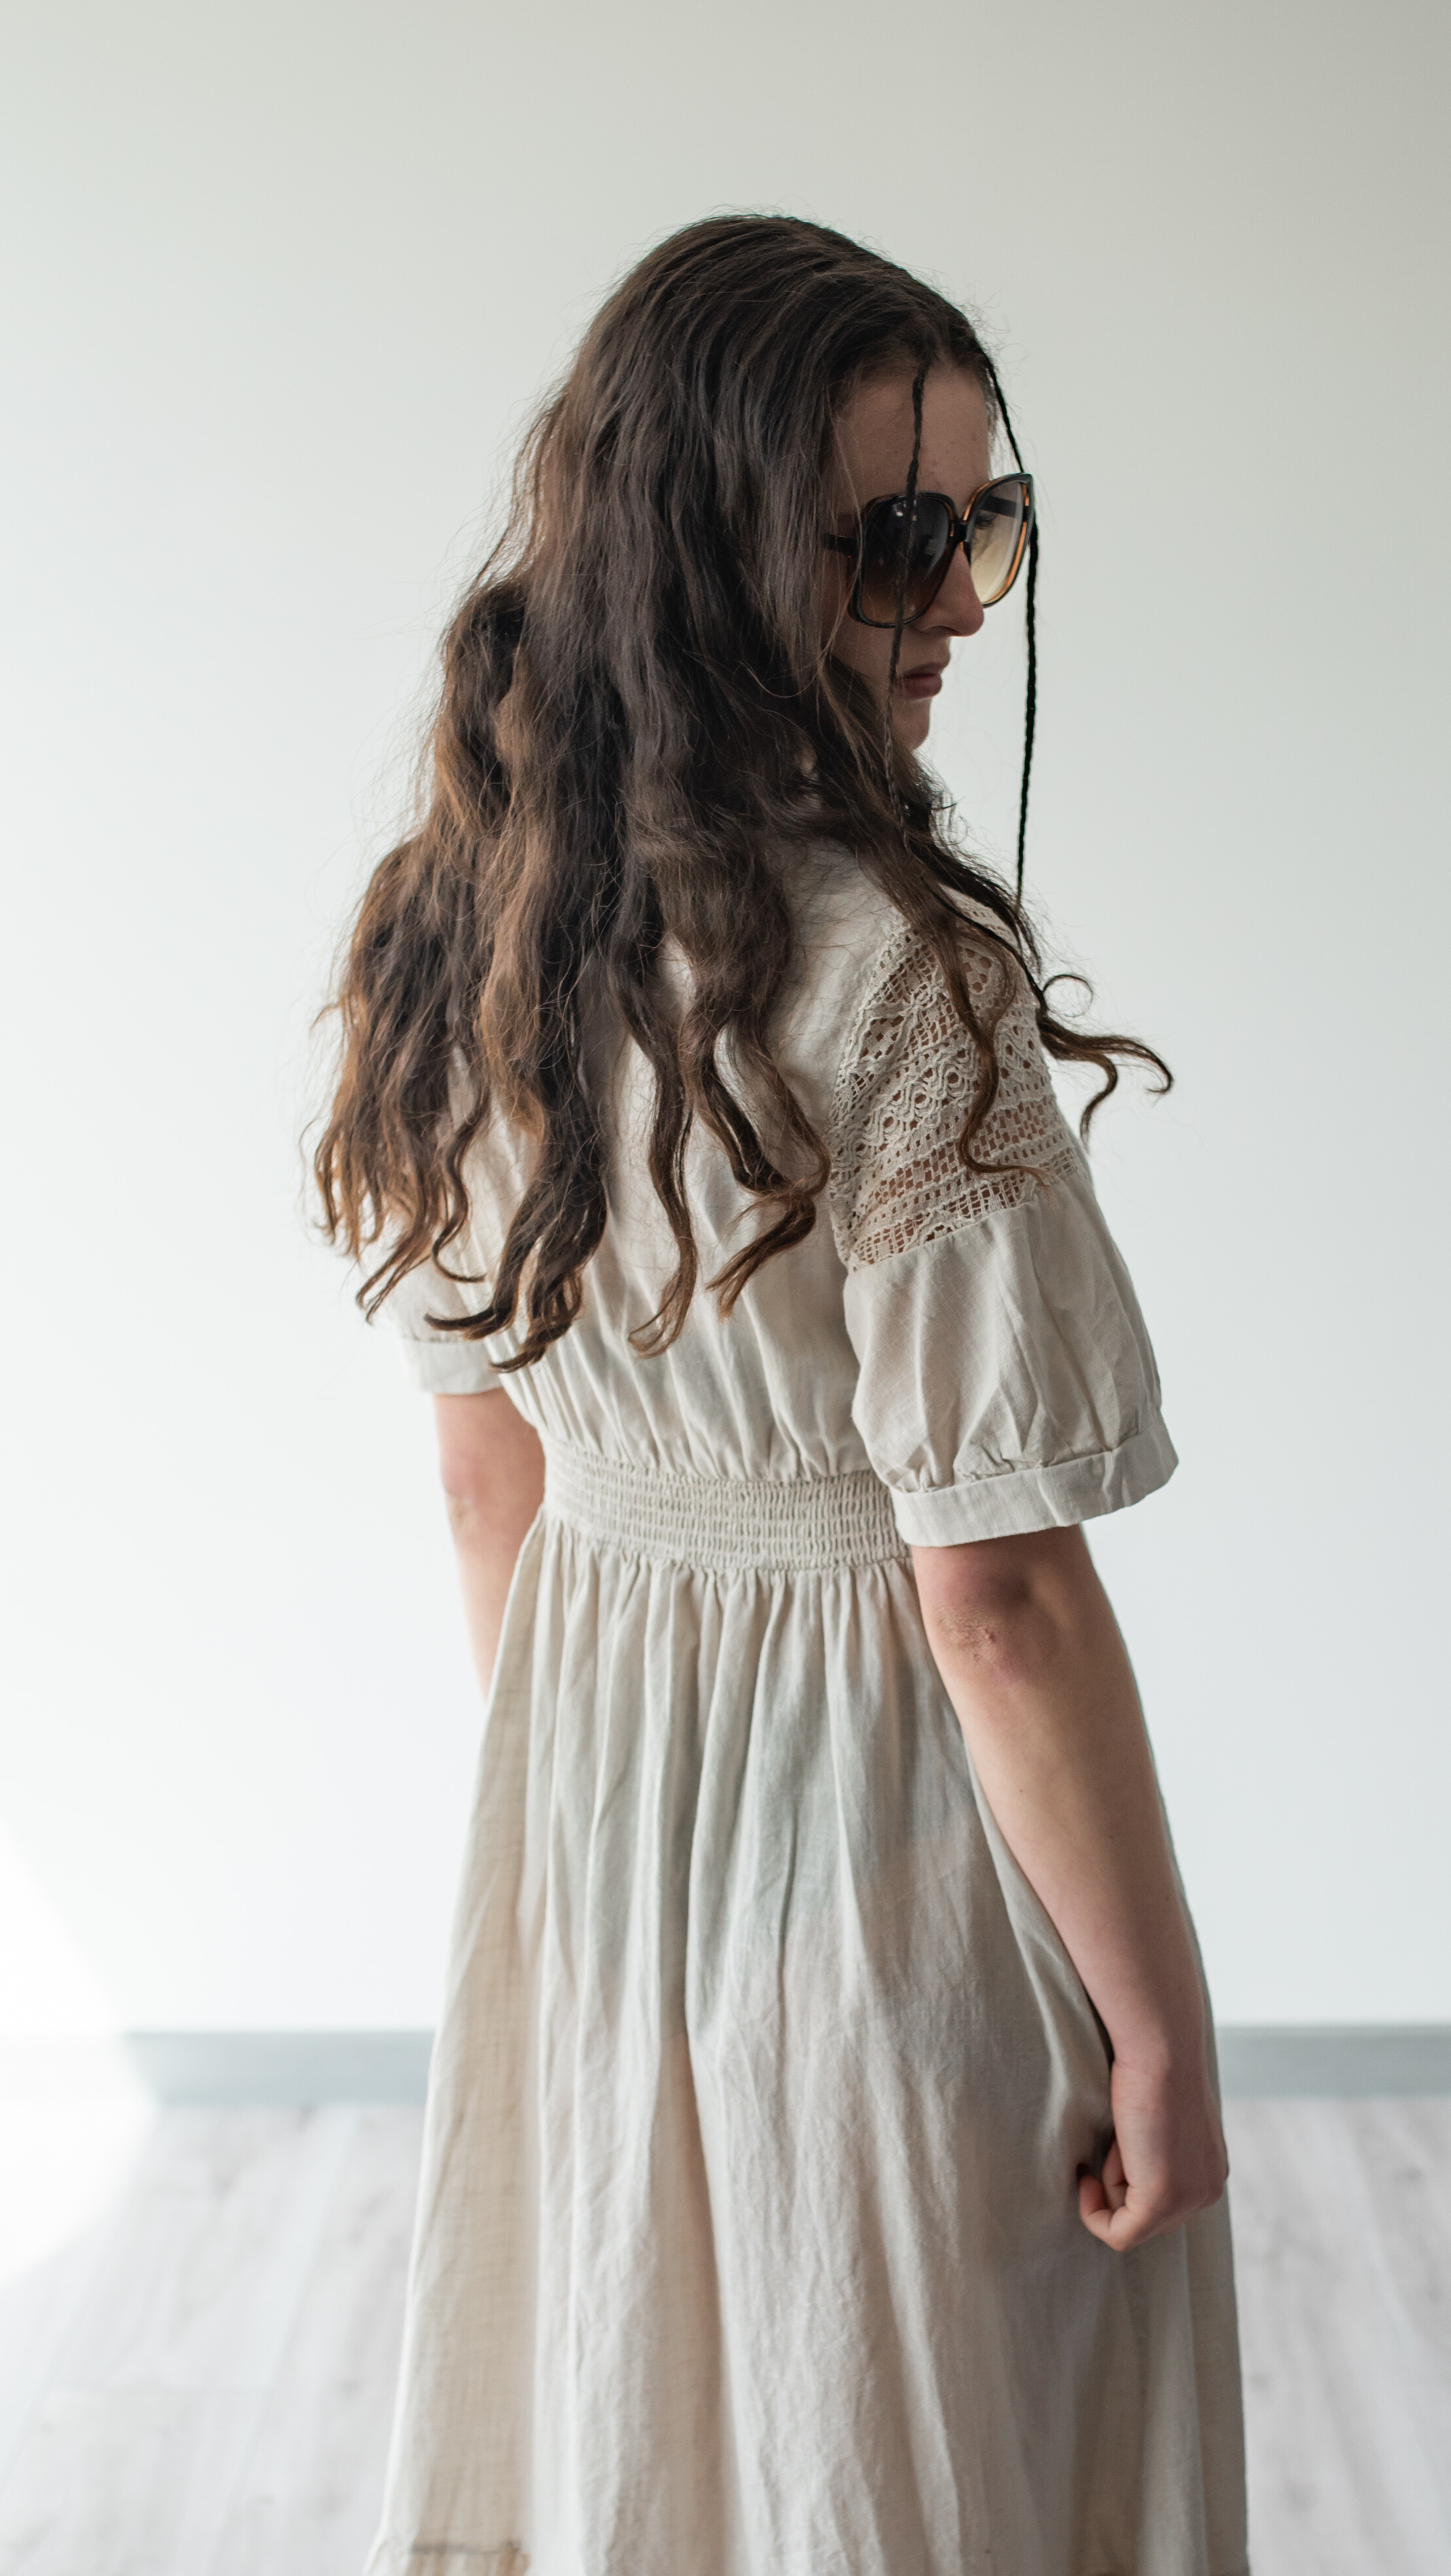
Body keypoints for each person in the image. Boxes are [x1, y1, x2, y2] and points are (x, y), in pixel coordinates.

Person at [317, 213, 1247, 2576]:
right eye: (896, 539)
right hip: (892, 1844)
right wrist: (1158, 2029)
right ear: (720, 548)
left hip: (594, 1814)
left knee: (663, 2455)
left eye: (985, 525)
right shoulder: (902, 984)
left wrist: (606, 1839)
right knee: (918, 2464)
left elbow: (487, 1486)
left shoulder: (458, 927)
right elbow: (996, 1600)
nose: (959, 602)